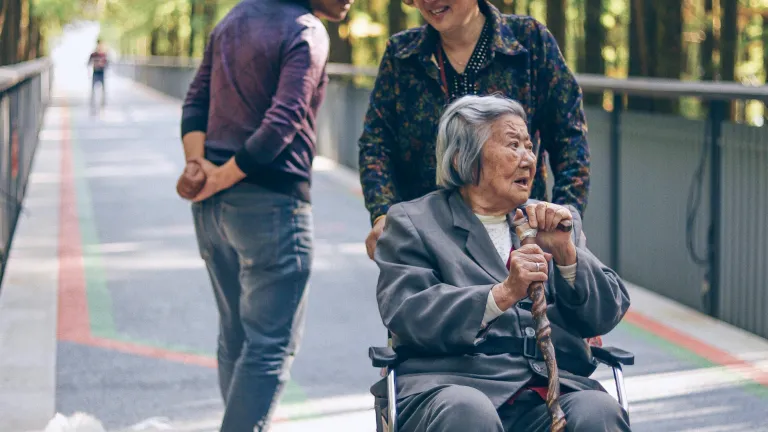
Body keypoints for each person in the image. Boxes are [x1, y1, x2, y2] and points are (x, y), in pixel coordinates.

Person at [371, 94, 631, 431]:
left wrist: (567, 255)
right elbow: (408, 313)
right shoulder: (413, 222)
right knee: (468, 411)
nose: (528, 160)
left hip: (548, 393)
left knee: (597, 411)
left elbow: (606, 313)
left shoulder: (552, 221)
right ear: (463, 159)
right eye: (513, 146)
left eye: (529, 146)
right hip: (451, 387)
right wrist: (502, 294)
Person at [178, 0, 353, 430]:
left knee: (235, 335)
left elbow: (195, 101)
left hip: (212, 213)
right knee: (269, 346)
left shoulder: (231, 19)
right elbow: (283, 121)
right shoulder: (306, 30)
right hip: (271, 206)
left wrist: (198, 166)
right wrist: (219, 177)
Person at [359, 0, 590, 260]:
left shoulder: (530, 42)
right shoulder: (401, 55)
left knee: (520, 300)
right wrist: (383, 213)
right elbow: (376, 145)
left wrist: (566, 217)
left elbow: (569, 138)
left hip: (518, 239)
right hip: (429, 242)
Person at [87, 39, 108, 112]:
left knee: (103, 90)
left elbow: (107, 64)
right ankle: (93, 105)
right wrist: (95, 64)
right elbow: (88, 63)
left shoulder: (104, 54)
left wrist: (102, 64)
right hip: (95, 73)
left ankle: (103, 105)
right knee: (93, 90)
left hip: (101, 73)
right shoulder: (93, 54)